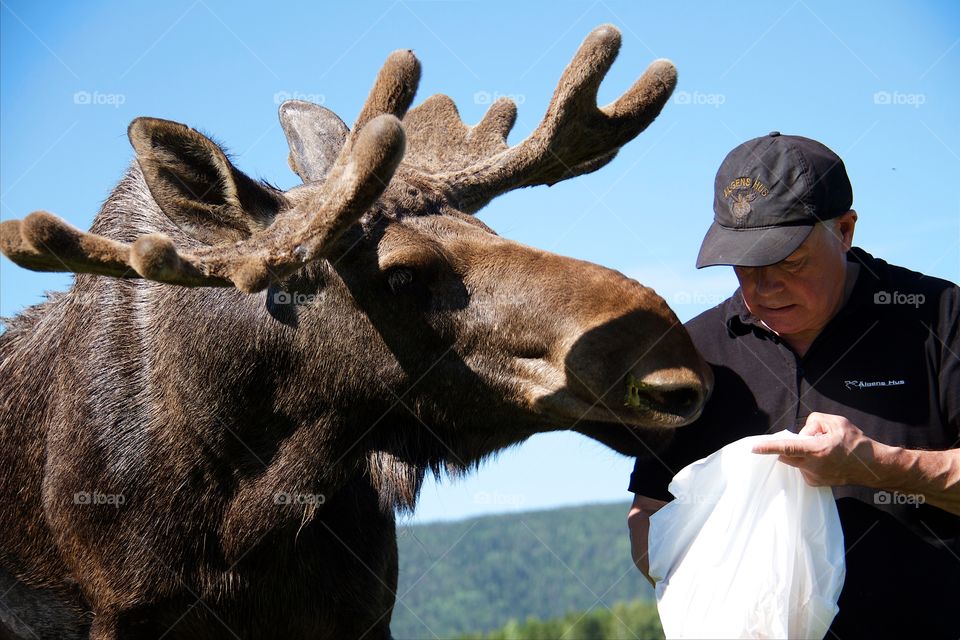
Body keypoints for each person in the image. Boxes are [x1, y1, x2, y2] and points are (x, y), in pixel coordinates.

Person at [627, 132, 960, 638]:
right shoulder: (691, 353)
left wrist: (878, 465)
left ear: (845, 231)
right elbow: (648, 515)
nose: (765, 287)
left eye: (789, 261)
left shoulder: (938, 317)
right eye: (745, 264)